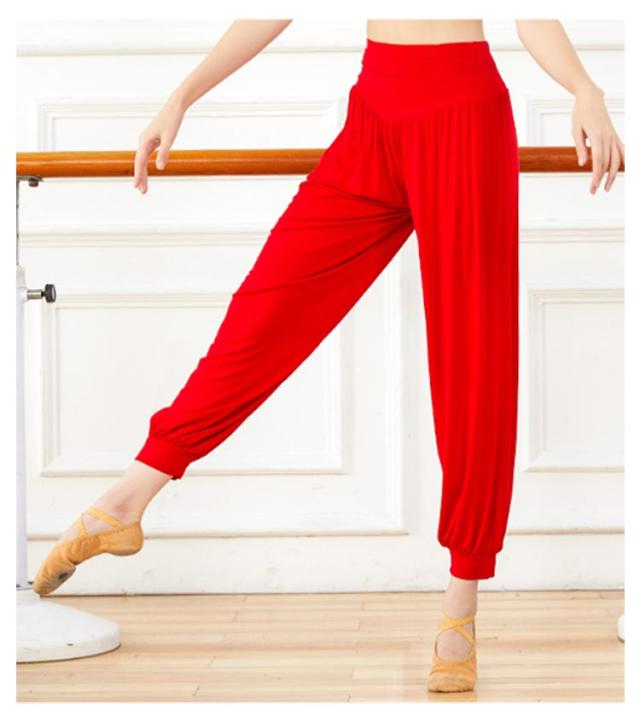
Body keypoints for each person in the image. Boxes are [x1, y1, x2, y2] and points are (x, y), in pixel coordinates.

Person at [32, 19, 624, 693]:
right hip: (374, 114)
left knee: (473, 355)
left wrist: (584, 88)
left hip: (463, 114)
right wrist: (182, 96)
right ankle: (129, 497)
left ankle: (462, 599)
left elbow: (530, 11)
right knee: (267, 312)